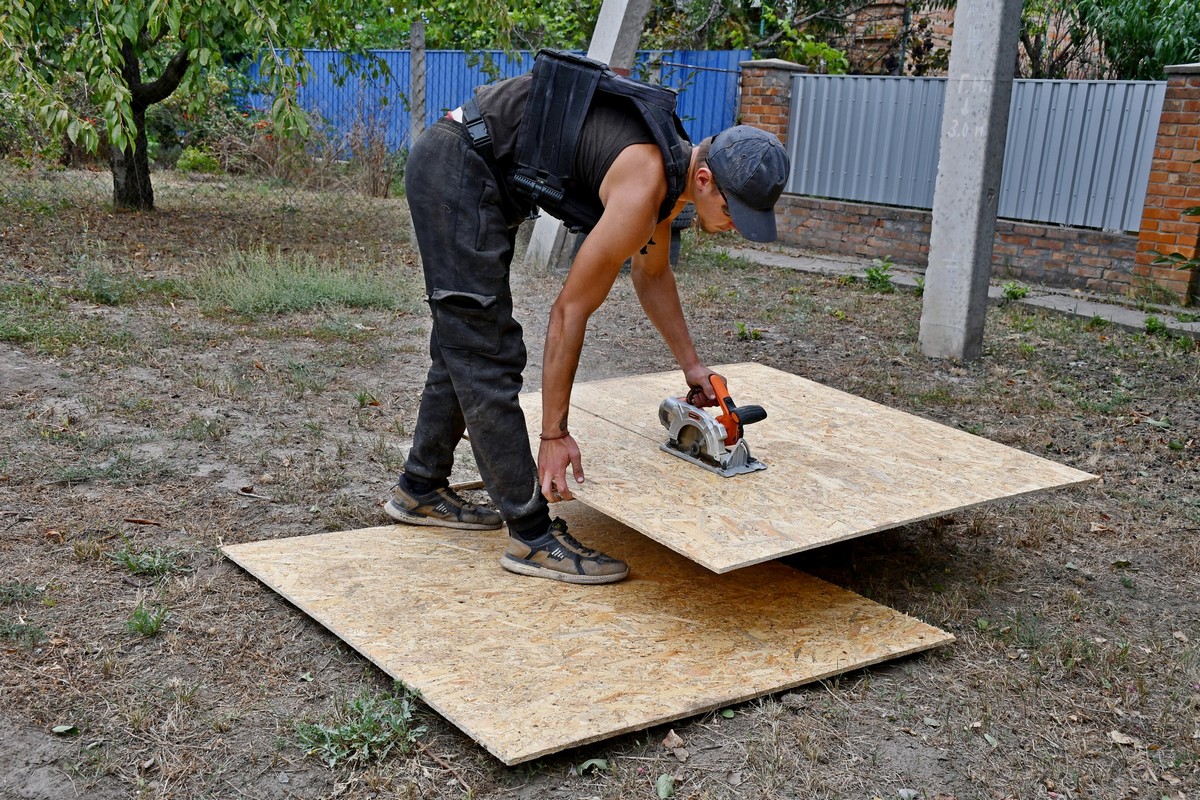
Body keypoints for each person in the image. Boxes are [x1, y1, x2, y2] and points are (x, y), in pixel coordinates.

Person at [385, 53, 790, 585]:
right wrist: (554, 434)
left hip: (478, 169)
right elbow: (570, 310)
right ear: (708, 179)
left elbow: (652, 275)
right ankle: (531, 537)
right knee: (485, 349)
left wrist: (692, 366)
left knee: (463, 339)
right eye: (735, 212)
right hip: (457, 167)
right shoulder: (645, 183)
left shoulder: (671, 171)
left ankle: (421, 487)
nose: (736, 226)